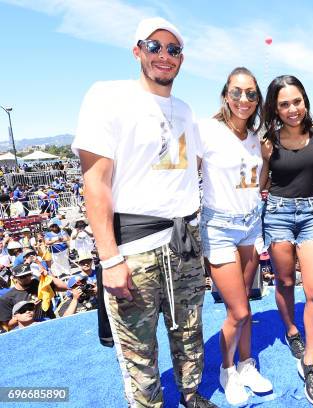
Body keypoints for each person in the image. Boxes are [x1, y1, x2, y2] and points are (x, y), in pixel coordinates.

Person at [72, 17, 215, 408]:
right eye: (154, 46)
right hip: (134, 249)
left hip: (184, 243)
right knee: (138, 349)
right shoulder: (107, 96)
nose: (164, 56)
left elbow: (206, 159)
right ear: (137, 51)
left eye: (173, 50)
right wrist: (109, 257)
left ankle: (190, 395)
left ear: (181, 59)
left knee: (189, 330)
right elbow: (96, 183)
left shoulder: (186, 110)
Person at [197, 67, 272, 406]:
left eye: (251, 94)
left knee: (246, 302)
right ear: (225, 94)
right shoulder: (206, 130)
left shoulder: (258, 136)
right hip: (219, 227)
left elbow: (261, 180)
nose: (244, 99)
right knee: (238, 310)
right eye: (238, 92)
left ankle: (246, 364)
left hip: (250, 224)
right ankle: (226, 369)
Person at [260, 75, 313, 404]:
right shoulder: (268, 140)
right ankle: (290, 329)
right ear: (275, 107)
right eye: (284, 103)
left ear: (305, 101)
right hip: (278, 214)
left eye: (297, 101)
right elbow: (262, 179)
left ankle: (310, 363)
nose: (292, 109)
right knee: (285, 282)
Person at [0, 264, 67, 330]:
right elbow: (6, 327)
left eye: (29, 274)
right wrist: (29, 309)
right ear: (14, 278)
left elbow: (65, 287)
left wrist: (48, 277)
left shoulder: (37, 283)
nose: (27, 278)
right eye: (22, 276)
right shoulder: (6, 298)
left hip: (51, 322)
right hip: (30, 330)